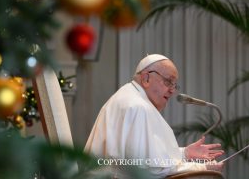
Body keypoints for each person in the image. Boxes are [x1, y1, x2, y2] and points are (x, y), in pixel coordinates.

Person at [84, 54, 224, 178]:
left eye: (175, 85)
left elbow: (148, 157)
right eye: (168, 81)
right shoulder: (138, 107)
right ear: (146, 78)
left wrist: (185, 153)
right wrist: (203, 167)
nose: (172, 90)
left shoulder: (128, 96)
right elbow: (152, 170)